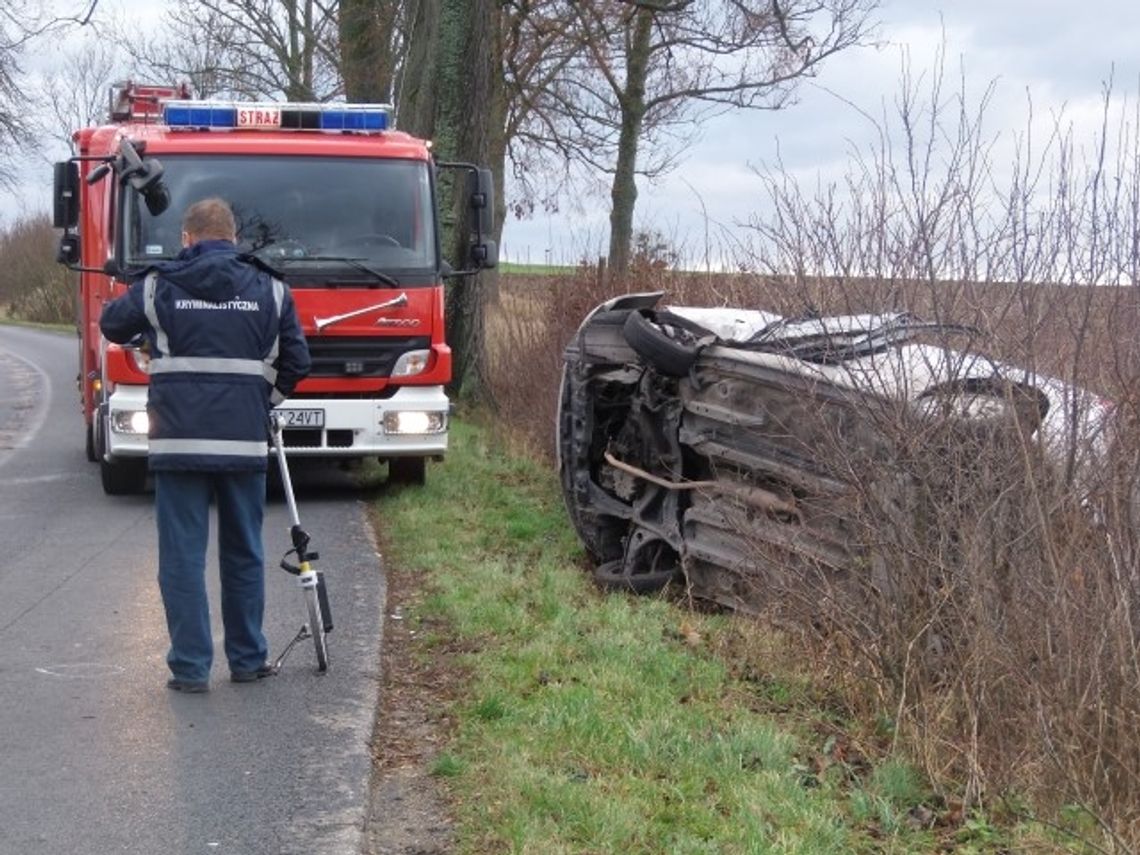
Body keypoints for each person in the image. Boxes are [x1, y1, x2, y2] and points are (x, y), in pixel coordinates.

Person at [101, 197, 311, 693]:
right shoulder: (272, 289)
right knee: (243, 552)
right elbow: (297, 362)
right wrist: (263, 400)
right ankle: (247, 659)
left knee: (182, 557)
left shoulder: (159, 286)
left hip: (177, 443)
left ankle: (191, 668)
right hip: (242, 444)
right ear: (234, 237)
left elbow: (113, 325)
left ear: (187, 239)